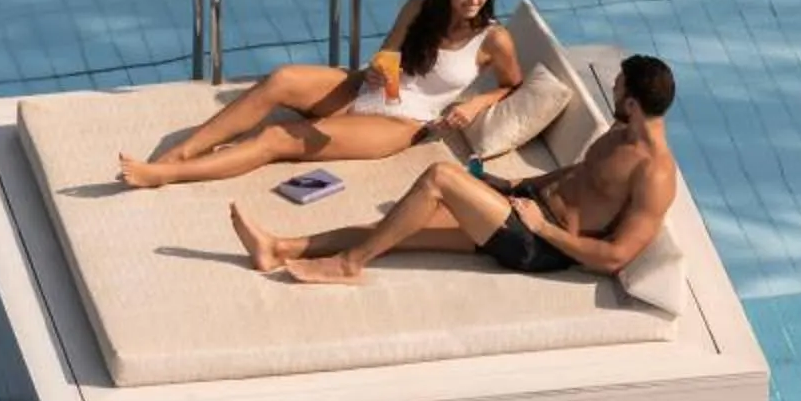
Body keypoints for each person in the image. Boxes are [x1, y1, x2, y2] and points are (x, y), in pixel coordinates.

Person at [231, 53, 679, 285]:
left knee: (440, 178)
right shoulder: (619, 134)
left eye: (617, 89)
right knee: (392, 227)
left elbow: (616, 256)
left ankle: (349, 266)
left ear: (633, 104)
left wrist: (543, 228)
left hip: (538, 245)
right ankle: (278, 248)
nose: (611, 92)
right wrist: (510, 184)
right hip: (521, 210)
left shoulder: (655, 174)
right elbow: (575, 179)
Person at [117, 0, 520, 189]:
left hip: (401, 123)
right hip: (366, 89)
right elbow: (388, 54)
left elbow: (511, 85)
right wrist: (382, 69)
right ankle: (178, 154)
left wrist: (476, 103)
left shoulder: (493, 39)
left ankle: (165, 176)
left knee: (278, 137)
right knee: (281, 79)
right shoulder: (420, 7)